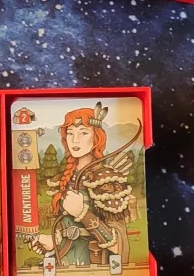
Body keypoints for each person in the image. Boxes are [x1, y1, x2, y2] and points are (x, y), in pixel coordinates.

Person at [28, 103, 136, 266]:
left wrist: (83, 214)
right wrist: (53, 242)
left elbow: (118, 244)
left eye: (83, 133)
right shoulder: (64, 178)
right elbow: (68, 229)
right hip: (64, 263)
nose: (75, 140)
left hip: (95, 266)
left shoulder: (107, 181)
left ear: (96, 138)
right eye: (70, 133)